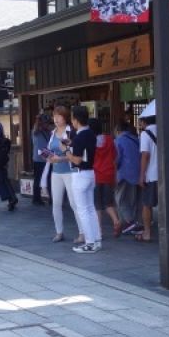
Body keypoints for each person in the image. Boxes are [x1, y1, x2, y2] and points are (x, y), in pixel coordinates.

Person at [63, 106, 102, 253]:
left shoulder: (79, 137)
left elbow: (77, 160)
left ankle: (90, 243)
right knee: (90, 208)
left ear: (76, 120)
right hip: (91, 173)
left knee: (83, 210)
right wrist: (71, 145)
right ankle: (96, 239)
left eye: (72, 118)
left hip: (80, 174)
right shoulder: (91, 133)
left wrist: (67, 152)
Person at [44, 106, 84, 243]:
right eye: (54, 116)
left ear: (65, 117)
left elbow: (75, 155)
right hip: (56, 172)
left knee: (74, 203)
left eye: (59, 116)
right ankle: (59, 231)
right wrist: (48, 156)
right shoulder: (53, 133)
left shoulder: (71, 132)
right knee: (56, 203)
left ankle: (82, 232)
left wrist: (60, 158)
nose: (56, 119)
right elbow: (50, 150)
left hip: (70, 171)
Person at [88, 118, 122, 238]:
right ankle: (116, 220)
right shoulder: (109, 139)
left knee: (97, 204)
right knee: (108, 203)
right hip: (109, 174)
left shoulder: (91, 141)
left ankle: (99, 231)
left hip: (96, 175)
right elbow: (114, 157)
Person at [115, 121, 142, 235]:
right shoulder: (136, 139)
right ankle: (134, 223)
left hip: (124, 174)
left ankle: (130, 222)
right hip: (137, 173)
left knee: (120, 199)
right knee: (133, 200)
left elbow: (117, 159)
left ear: (118, 130)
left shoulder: (118, 140)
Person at [138, 116, 158, 243]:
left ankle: (147, 232)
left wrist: (141, 175)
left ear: (144, 122)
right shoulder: (164, 130)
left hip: (151, 174)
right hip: (165, 174)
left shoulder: (145, 134)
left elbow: (145, 155)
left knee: (146, 204)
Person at [31, 114, 50, 206]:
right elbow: (41, 148)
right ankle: (37, 198)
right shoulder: (38, 133)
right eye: (46, 123)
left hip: (39, 158)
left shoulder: (38, 132)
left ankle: (37, 198)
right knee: (39, 179)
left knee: (39, 178)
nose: (48, 125)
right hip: (41, 159)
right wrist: (49, 156)